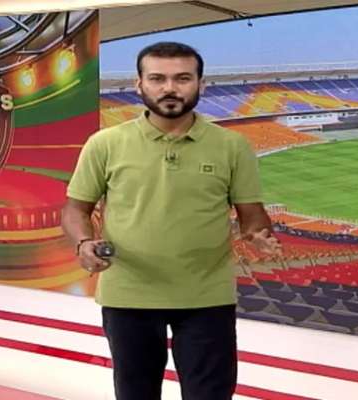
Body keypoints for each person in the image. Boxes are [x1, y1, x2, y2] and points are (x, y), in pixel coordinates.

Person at [61, 42, 282, 400]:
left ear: (200, 84)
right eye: (157, 78)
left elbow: (252, 217)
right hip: (129, 294)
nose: (169, 88)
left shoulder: (232, 146)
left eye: (182, 78)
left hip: (206, 296)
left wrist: (260, 236)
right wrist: (84, 243)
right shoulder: (105, 144)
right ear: (139, 85)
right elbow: (75, 209)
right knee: (136, 393)